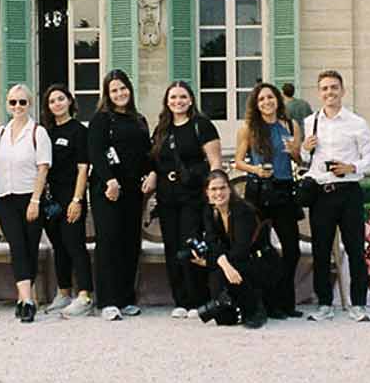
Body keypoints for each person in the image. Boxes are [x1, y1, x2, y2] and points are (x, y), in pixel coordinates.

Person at [301, 70, 370, 323]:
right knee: (320, 251)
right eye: (324, 88)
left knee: (356, 249)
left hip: (348, 193)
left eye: (334, 88)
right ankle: (324, 304)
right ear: (318, 92)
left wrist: (351, 167)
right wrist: (304, 149)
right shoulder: (310, 121)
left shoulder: (357, 122)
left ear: (343, 91)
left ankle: (358, 304)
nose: (329, 93)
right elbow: (306, 161)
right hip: (322, 194)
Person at [87, 69, 155, 322]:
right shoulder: (101, 120)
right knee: (109, 242)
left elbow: (147, 153)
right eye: (114, 90)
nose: (119, 93)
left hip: (133, 191)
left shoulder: (139, 119)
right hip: (108, 191)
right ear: (107, 94)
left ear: (130, 89)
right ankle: (107, 300)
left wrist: (151, 173)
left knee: (130, 242)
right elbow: (96, 151)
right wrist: (110, 180)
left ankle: (126, 298)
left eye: (123, 88)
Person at [150, 80, 221, 317]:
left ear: (191, 99)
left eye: (182, 97)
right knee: (171, 245)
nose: (177, 101)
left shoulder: (202, 125)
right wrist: (152, 176)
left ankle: (197, 299)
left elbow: (215, 163)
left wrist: (215, 194)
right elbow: (154, 160)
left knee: (190, 244)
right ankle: (180, 300)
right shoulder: (162, 128)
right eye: (173, 97)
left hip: (193, 194)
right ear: (167, 102)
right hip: (167, 196)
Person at [233, 80, 303, 317]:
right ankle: (265, 303)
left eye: (270, 97)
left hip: (284, 190)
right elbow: (238, 161)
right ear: (256, 104)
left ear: (278, 100)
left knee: (291, 249)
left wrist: (294, 150)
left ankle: (286, 302)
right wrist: (255, 170)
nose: (266, 102)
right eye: (261, 99)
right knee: (259, 249)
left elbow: (299, 160)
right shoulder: (248, 128)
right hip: (259, 191)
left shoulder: (290, 124)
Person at [0, 84, 53, 321]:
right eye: (13, 102)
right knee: (17, 246)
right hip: (5, 197)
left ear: (30, 104)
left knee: (29, 248)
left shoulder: (38, 132)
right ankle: (27, 300)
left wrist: (35, 200)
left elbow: (43, 168)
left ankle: (23, 298)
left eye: (22, 102)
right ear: (7, 105)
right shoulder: (0, 134)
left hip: (30, 196)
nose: (17, 107)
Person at [40, 83, 93, 317]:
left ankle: (85, 295)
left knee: (75, 245)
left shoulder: (79, 131)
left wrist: (77, 200)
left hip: (71, 196)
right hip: (51, 200)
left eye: (60, 99)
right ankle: (63, 293)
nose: (56, 104)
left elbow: (84, 169)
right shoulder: (46, 132)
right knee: (58, 247)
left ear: (70, 101)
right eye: (52, 101)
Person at [190, 169, 267, 328]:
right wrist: (224, 264)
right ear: (207, 192)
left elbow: (242, 249)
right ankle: (228, 308)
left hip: (257, 260)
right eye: (214, 189)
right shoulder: (210, 211)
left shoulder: (242, 210)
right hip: (231, 260)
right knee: (225, 320)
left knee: (224, 270)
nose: (218, 193)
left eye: (222, 188)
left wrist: (214, 263)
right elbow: (212, 242)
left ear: (230, 189)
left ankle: (255, 309)